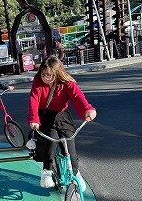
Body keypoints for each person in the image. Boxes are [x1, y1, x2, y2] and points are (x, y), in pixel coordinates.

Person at [28, 55, 96, 191]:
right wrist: (34, 119)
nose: (46, 78)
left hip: (62, 115)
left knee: (70, 143)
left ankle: (76, 172)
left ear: (57, 73)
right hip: (45, 116)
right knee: (51, 140)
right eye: (43, 74)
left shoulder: (67, 83)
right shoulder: (37, 82)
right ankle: (47, 171)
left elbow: (78, 98)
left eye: (50, 75)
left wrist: (88, 109)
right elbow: (33, 101)